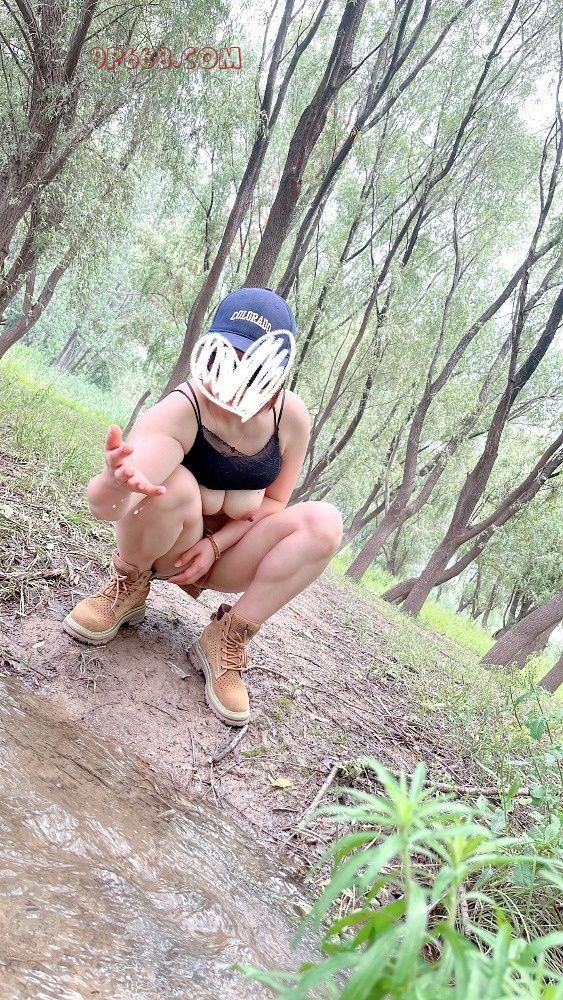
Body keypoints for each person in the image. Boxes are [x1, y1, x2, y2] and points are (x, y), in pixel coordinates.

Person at [63, 287, 343, 727]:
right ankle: (128, 585)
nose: (239, 375)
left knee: (324, 523)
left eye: (255, 365)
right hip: (168, 546)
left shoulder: (291, 418)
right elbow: (113, 505)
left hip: (229, 557)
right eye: (229, 356)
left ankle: (227, 637)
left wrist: (217, 546)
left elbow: (274, 502)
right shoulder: (182, 409)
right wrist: (113, 483)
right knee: (174, 485)